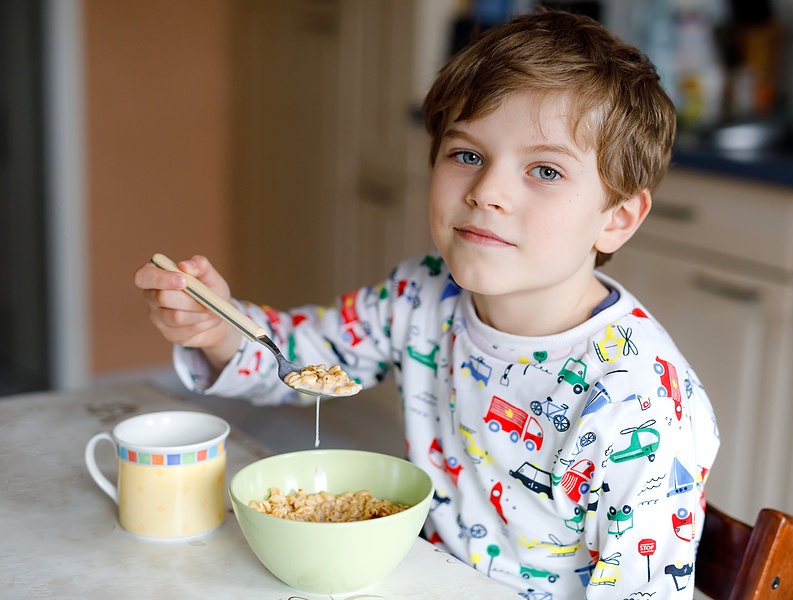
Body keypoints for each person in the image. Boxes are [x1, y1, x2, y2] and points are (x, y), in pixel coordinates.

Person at [135, 9, 718, 598]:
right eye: (468, 155)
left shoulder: (638, 402)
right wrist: (219, 331)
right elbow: (304, 362)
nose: (487, 191)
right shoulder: (420, 294)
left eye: (544, 170)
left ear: (617, 218)